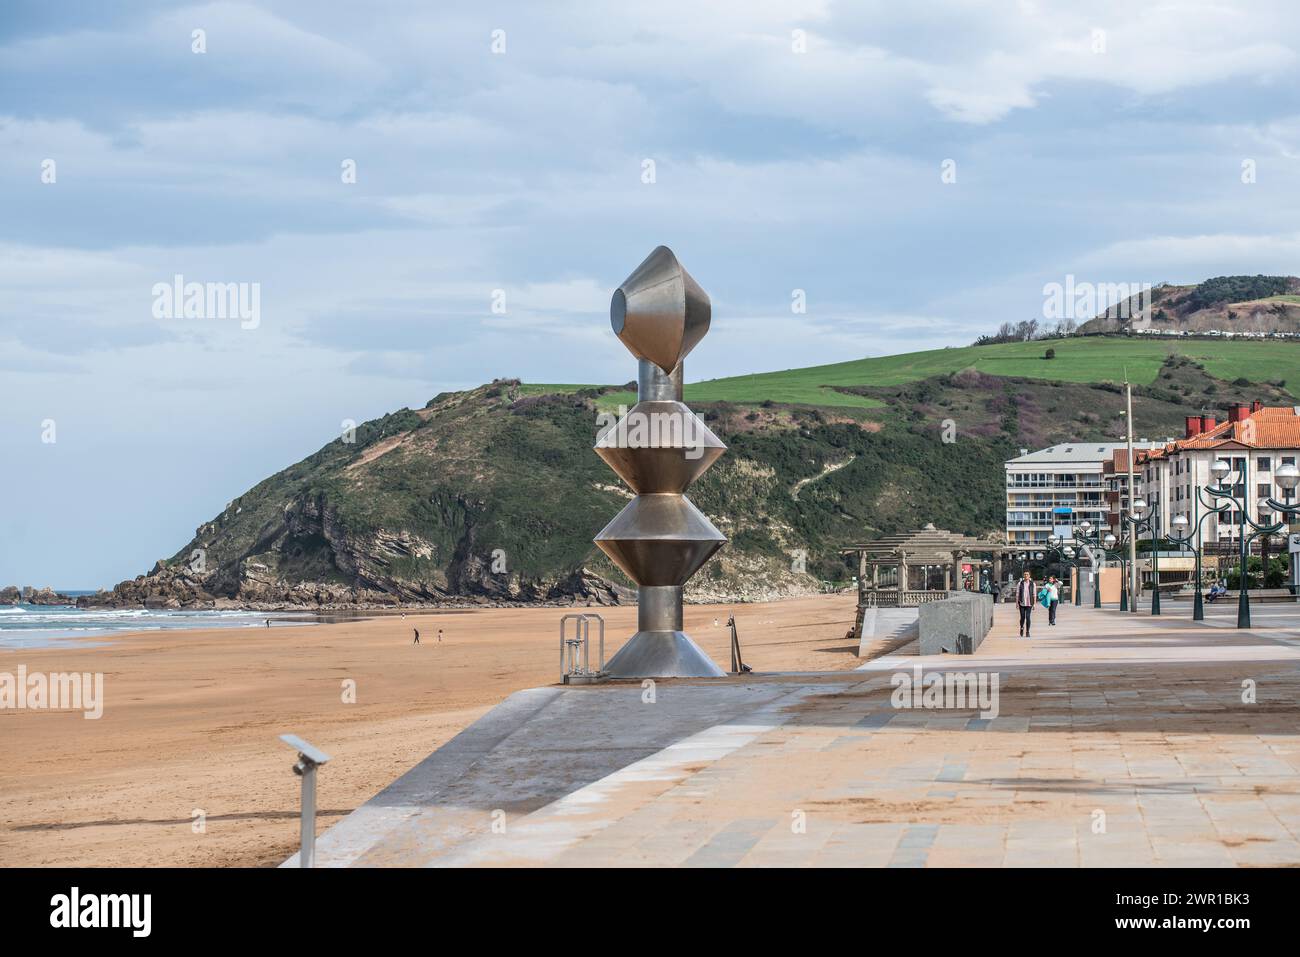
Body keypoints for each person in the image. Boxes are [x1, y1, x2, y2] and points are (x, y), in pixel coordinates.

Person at [1016, 571, 1036, 638]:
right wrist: (1017, 604)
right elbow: (1017, 594)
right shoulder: (1020, 583)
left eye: (1027, 574)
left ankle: (1027, 631)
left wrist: (1034, 604)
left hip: (1029, 603)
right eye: (1025, 574)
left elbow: (1034, 594)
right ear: (1023, 575)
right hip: (1022, 603)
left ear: (1029, 576)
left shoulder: (1032, 584)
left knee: (1028, 617)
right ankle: (1021, 628)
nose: (1026, 576)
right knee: (1022, 617)